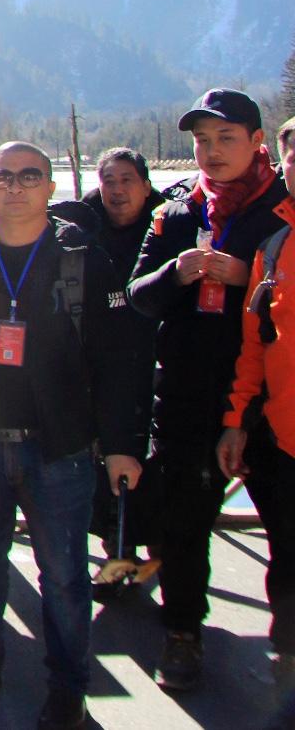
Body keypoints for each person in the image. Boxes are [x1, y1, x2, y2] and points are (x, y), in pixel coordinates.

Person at [0, 141, 147, 730]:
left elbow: (120, 360)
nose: (15, 187)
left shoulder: (84, 261)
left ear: (50, 187)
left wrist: (123, 444)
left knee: (65, 576)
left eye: (29, 176)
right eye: (2, 176)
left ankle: (69, 686)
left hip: (60, 448)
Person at [130, 89, 288, 692]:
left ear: (257, 142)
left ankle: (288, 643)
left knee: (287, 529)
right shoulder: (176, 213)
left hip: (271, 403)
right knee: (183, 524)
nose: (212, 151)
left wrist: (250, 279)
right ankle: (182, 631)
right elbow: (138, 298)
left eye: (226, 138)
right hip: (189, 398)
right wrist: (176, 273)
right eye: (201, 141)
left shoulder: (284, 212)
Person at [51, 148, 165, 597]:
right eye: (109, 181)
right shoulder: (80, 229)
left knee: (153, 470)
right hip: (98, 363)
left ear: (145, 185)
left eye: (127, 180)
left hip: (156, 357)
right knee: (104, 469)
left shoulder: (168, 224)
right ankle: (118, 561)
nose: (117, 190)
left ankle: (163, 564)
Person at [220, 116, 295, 687]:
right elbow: (253, 346)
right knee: (288, 563)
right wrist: (236, 422)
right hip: (282, 442)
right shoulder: (275, 248)